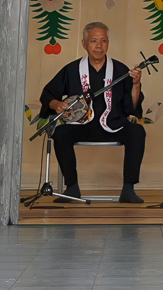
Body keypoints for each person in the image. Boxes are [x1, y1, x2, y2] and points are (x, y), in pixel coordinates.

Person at [40, 22, 146, 203]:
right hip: (81, 125)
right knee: (61, 133)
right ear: (84, 44)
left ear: (108, 43)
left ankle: (128, 189)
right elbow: (48, 94)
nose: (99, 46)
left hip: (113, 123)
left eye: (103, 41)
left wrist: (136, 84)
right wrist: (56, 103)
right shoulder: (72, 70)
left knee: (137, 132)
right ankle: (72, 187)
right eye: (94, 41)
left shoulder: (120, 70)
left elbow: (132, 107)